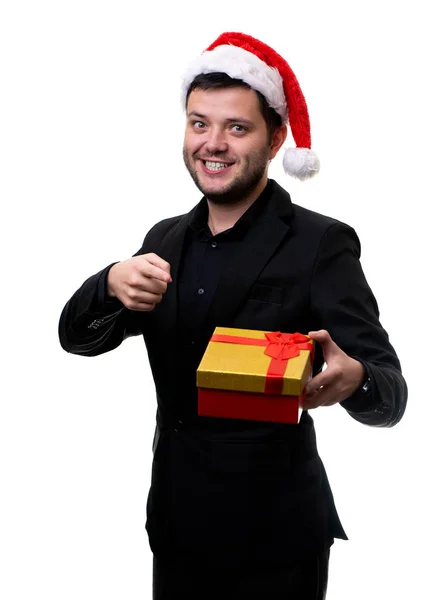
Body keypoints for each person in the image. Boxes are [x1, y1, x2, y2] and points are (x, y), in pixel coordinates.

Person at [58, 32, 407, 600]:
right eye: (199, 124)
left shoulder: (321, 243)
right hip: (175, 527)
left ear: (274, 142)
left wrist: (357, 380)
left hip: (276, 543)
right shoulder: (163, 240)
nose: (212, 143)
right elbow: (77, 340)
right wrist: (108, 284)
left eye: (236, 128)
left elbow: (391, 395)